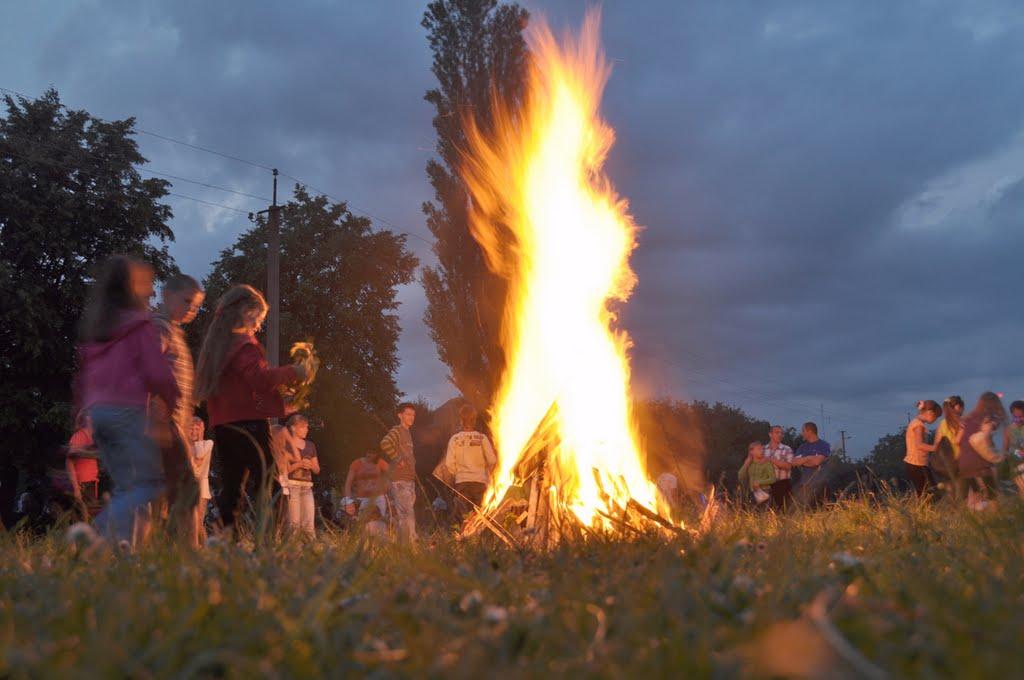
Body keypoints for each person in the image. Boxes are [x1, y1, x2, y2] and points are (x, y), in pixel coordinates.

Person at [75, 255, 180, 549]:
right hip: (126, 412)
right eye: (145, 283)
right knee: (148, 484)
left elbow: (84, 377)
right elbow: (157, 372)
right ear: (133, 287)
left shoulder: (98, 330)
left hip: (99, 413)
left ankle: (125, 554)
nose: (149, 291)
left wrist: (81, 415)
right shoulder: (139, 325)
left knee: (128, 489)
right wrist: (170, 403)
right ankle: (90, 537)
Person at [195, 285, 306, 533]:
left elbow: (240, 387)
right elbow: (258, 379)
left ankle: (224, 540)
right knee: (270, 484)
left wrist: (280, 404)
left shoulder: (218, 347)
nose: (258, 325)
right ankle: (266, 543)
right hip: (250, 424)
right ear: (245, 312)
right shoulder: (244, 345)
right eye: (257, 318)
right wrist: (292, 372)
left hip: (223, 425)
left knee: (232, 487)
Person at [151, 274, 204, 546]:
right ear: (165, 294)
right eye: (186, 302)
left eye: (196, 307)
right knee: (187, 490)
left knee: (161, 492)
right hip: (162, 420)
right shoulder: (159, 328)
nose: (191, 310)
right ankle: (188, 553)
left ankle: (155, 551)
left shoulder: (173, 331)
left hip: (174, 424)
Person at [442, 404, 497, 525]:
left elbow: (449, 463)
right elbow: (492, 460)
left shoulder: (455, 439)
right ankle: (479, 541)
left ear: (461, 419)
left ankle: (466, 540)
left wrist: (458, 473)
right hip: (480, 483)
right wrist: (485, 471)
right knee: (480, 518)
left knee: (465, 518)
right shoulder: (482, 439)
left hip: (462, 483)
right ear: (475, 420)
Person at [958, 392, 1007, 509]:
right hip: (980, 463)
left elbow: (959, 441)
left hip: (964, 462)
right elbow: (984, 439)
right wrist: (997, 456)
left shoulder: (968, 418)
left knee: (974, 497)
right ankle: (995, 521)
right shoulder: (988, 419)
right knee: (992, 495)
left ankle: (973, 523)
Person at [380, 402, 417, 543]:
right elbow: (385, 443)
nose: (411, 417)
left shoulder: (408, 433)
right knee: (408, 515)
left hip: (409, 481)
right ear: (400, 415)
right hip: (400, 481)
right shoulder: (397, 430)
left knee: (404, 516)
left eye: (413, 415)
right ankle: (412, 547)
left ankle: (403, 547)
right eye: (408, 414)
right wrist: (397, 458)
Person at [280, 414, 319, 538]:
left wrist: (311, 466)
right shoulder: (285, 445)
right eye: (303, 427)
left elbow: (317, 469)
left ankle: (311, 551)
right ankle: (292, 552)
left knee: (309, 523)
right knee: (294, 524)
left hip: (307, 487)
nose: (306, 430)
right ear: (293, 428)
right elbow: (284, 469)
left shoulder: (310, 445)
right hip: (292, 487)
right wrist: (299, 464)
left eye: (307, 427)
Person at [66, 412, 102, 519]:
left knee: (90, 518)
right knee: (84, 518)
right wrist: (76, 487)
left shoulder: (93, 438)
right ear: (87, 419)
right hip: (83, 484)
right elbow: (69, 462)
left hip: (91, 483)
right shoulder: (79, 436)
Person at [964, 417, 1005, 510]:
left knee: (980, 496)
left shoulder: (982, 437)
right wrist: (1000, 458)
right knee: (989, 496)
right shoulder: (979, 437)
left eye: (994, 427)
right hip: (980, 471)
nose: (993, 429)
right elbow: (990, 456)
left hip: (978, 470)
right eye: (992, 426)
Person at [904, 400, 941, 496]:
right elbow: (919, 445)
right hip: (916, 464)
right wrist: (936, 448)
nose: (935, 420)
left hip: (920, 464)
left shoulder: (917, 423)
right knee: (928, 494)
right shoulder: (918, 425)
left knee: (930, 492)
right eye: (936, 417)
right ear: (930, 413)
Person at [343, 449, 390, 524]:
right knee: (362, 524)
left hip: (378, 497)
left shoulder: (380, 462)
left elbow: (392, 472)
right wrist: (348, 501)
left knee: (380, 522)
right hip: (362, 499)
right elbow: (348, 483)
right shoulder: (356, 463)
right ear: (367, 453)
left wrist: (387, 484)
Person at [932, 395, 965, 497]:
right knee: (962, 491)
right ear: (958, 407)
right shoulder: (962, 422)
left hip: (945, 463)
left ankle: (953, 510)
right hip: (959, 460)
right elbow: (958, 441)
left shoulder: (942, 423)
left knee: (951, 491)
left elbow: (936, 444)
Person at [190, 416, 214, 542]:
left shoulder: (207, 443)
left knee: (198, 521)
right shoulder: (186, 445)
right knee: (188, 522)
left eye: (197, 429)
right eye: (191, 429)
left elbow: (199, 457)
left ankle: (204, 549)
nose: (194, 432)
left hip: (201, 486)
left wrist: (200, 438)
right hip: (187, 486)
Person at [763, 425, 795, 510]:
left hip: (782, 484)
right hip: (766, 484)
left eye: (782, 433)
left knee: (781, 511)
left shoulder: (787, 449)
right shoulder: (763, 449)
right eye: (777, 432)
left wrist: (771, 460)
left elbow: (788, 466)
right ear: (770, 434)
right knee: (765, 512)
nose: (780, 435)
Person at [1006, 400, 1024, 497]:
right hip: (1017, 466)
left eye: (1021, 417)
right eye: (1015, 417)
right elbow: (1006, 450)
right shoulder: (1009, 430)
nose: (1018, 419)